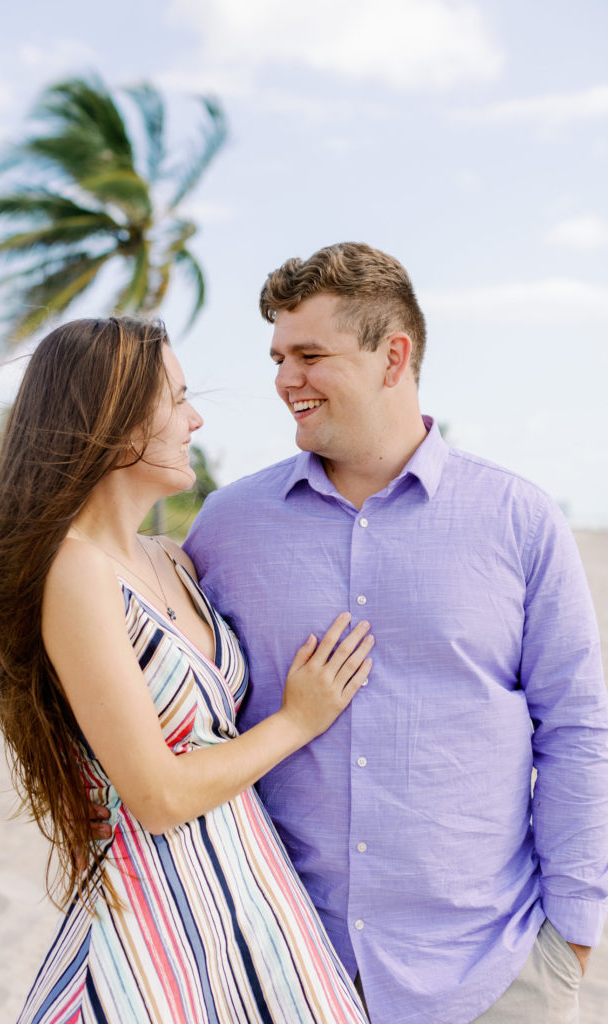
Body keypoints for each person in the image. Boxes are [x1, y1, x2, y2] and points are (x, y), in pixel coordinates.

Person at [183, 242, 608, 1024]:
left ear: (393, 356)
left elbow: (577, 728)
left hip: (494, 974)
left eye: (310, 354)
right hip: (281, 970)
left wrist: (573, 934)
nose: (284, 380)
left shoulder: (518, 519)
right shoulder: (225, 527)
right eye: (278, 356)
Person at [0, 315, 373, 1023]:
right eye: (177, 399)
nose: (196, 419)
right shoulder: (75, 572)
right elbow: (155, 795)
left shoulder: (172, 559)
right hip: (152, 928)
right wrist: (298, 720)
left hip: (247, 911)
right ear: (116, 425)